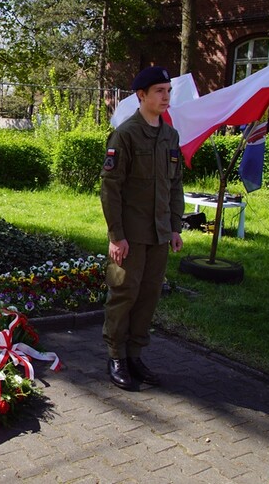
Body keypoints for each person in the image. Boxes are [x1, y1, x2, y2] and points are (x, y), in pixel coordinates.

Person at [99, 65, 184, 391]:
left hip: (160, 234)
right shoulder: (126, 135)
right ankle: (115, 355)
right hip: (130, 236)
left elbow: (175, 185)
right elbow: (111, 188)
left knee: (148, 296)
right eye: (159, 91)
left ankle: (135, 355)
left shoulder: (170, 135)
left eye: (168, 90)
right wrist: (116, 236)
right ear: (141, 95)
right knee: (124, 294)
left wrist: (175, 227)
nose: (166, 96)